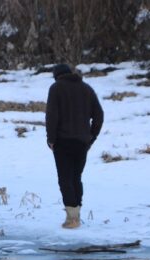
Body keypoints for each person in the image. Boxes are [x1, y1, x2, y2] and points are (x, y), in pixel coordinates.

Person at [46, 63, 104, 229]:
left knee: (65, 179)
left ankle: (72, 219)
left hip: (62, 141)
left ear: (56, 75)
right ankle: (76, 214)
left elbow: (52, 115)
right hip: (82, 142)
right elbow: (99, 115)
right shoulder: (86, 88)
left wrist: (51, 139)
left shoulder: (56, 88)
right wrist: (92, 136)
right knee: (76, 178)